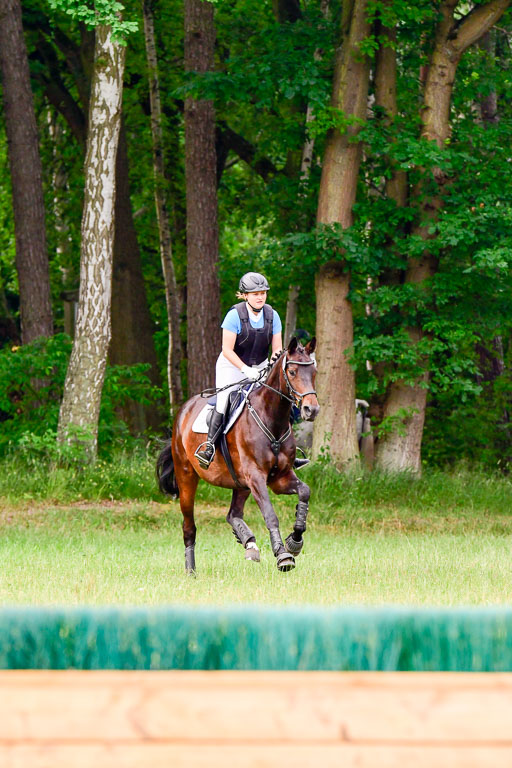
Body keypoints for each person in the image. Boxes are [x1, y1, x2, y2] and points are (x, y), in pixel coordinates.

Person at [195, 271, 283, 469]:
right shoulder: (234, 315)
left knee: (280, 398)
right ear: (245, 295)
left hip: (261, 366)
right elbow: (227, 350)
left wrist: (273, 362)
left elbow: (277, 348)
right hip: (232, 365)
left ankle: (288, 449)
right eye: (255, 293)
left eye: (263, 293)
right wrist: (245, 369)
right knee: (225, 399)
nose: (260, 297)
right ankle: (209, 447)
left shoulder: (272, 315)